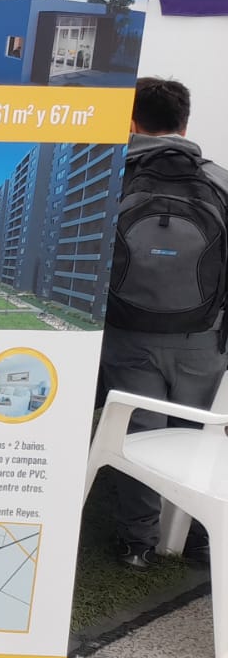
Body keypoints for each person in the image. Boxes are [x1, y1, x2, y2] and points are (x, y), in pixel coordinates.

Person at [99, 76, 228, 569]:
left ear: (130, 123)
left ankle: (138, 543)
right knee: (196, 435)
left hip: (128, 331)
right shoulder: (220, 181)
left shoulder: (110, 178)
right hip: (203, 336)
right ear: (185, 124)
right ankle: (195, 536)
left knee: (138, 434)